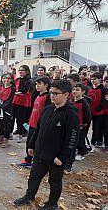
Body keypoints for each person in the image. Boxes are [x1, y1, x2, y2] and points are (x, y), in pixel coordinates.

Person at [14, 80, 79, 210]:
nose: (52, 96)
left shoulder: (71, 114)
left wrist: (63, 157)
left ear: (66, 94)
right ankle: (29, 196)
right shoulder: (47, 109)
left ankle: (52, 204)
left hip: (56, 157)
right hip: (40, 153)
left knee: (54, 182)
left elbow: (72, 138)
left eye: (56, 93)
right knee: (34, 177)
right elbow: (38, 129)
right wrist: (31, 145)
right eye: (51, 93)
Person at [18, 76, 51, 167]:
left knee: (37, 144)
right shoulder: (37, 95)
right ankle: (28, 159)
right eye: (36, 84)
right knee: (29, 143)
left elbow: (47, 113)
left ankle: (35, 162)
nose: (37, 86)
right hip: (32, 123)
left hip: (39, 125)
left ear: (46, 85)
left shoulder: (47, 97)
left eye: (39, 84)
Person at [69, 84, 91, 165]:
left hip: (80, 125)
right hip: (71, 124)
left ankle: (81, 152)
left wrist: (84, 124)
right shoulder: (71, 101)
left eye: (77, 90)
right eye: (73, 89)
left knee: (80, 140)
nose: (74, 91)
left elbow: (87, 115)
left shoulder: (84, 102)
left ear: (83, 92)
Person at [0, 73, 15, 148]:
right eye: (5, 78)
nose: (6, 80)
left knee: (7, 124)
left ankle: (6, 139)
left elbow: (10, 100)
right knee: (0, 123)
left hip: (7, 109)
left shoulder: (13, 89)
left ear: (11, 80)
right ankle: (1, 136)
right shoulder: (0, 87)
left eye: (8, 78)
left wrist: (2, 107)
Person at [12, 65, 33, 143]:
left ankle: (21, 134)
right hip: (16, 101)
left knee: (22, 120)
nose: (20, 72)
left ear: (27, 72)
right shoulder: (16, 80)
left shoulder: (29, 81)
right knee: (14, 118)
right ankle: (13, 132)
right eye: (19, 70)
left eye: (23, 70)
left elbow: (25, 91)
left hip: (24, 103)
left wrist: (19, 92)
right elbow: (13, 89)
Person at [87, 72, 105, 150]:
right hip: (89, 111)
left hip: (98, 113)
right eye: (92, 79)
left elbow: (104, 101)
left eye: (95, 79)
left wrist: (100, 107)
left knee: (96, 128)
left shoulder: (103, 89)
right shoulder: (89, 88)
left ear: (100, 79)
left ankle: (93, 143)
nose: (93, 81)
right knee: (86, 127)